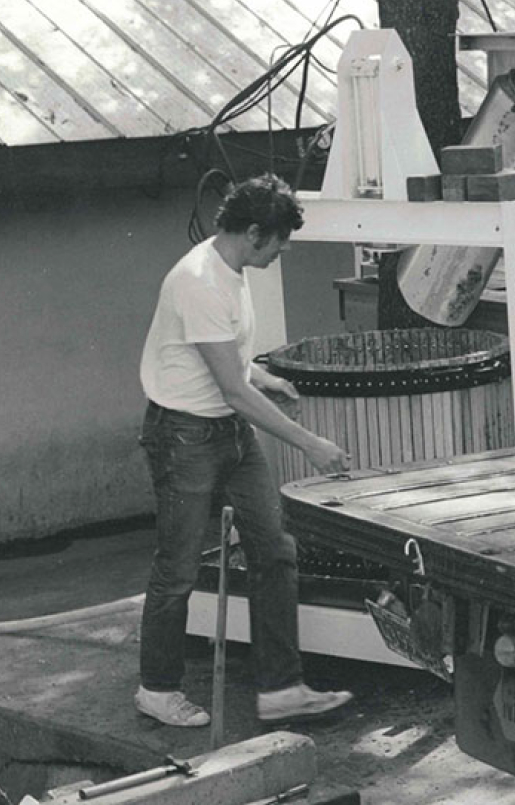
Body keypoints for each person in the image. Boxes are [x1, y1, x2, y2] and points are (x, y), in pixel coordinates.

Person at [135, 174, 353, 727]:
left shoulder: (233, 269)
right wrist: (310, 444)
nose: (282, 251)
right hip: (184, 436)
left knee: (275, 550)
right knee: (179, 565)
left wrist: (264, 377)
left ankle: (280, 689)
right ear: (254, 232)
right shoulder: (199, 280)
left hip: (230, 430)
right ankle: (157, 690)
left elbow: (227, 361)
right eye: (279, 241)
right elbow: (230, 387)